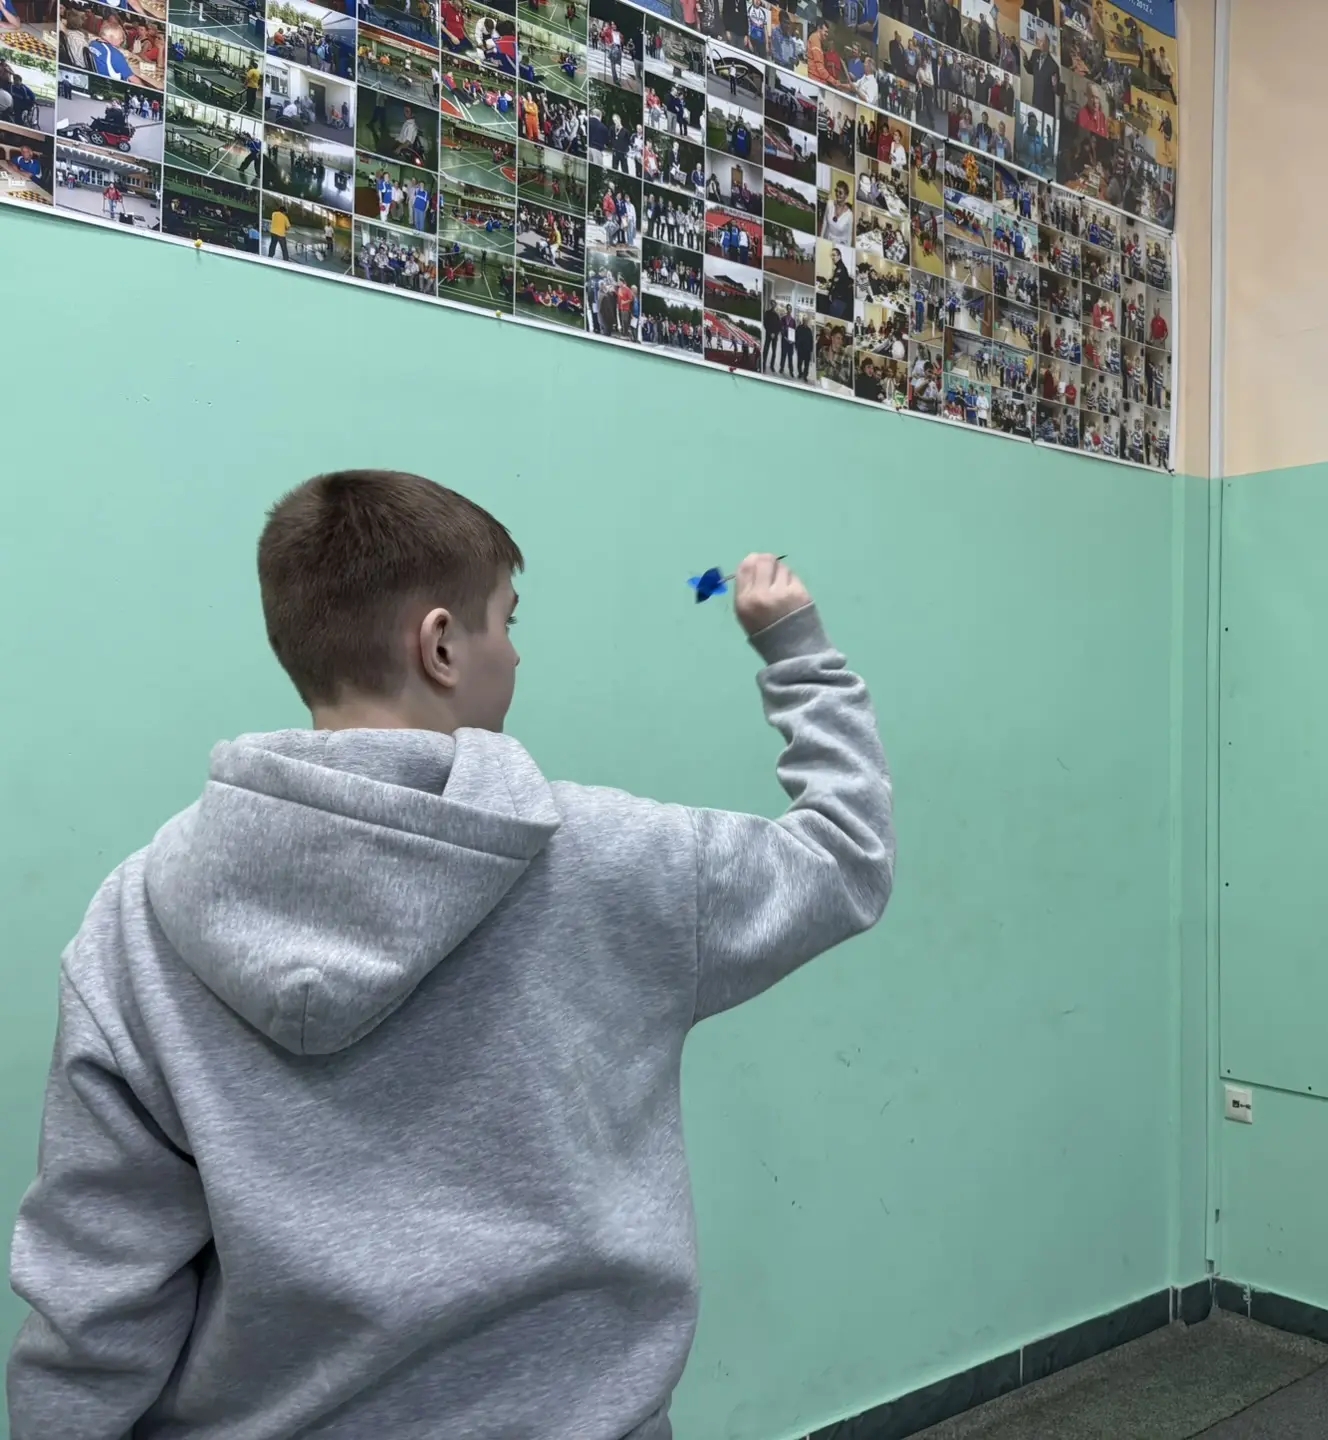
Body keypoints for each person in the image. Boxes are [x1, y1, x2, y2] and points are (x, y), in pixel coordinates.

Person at [5, 472, 893, 1440]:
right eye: (507, 621)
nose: (515, 652)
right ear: (439, 645)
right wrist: (795, 647)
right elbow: (846, 857)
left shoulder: (134, 917)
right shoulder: (612, 860)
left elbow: (95, 1292)